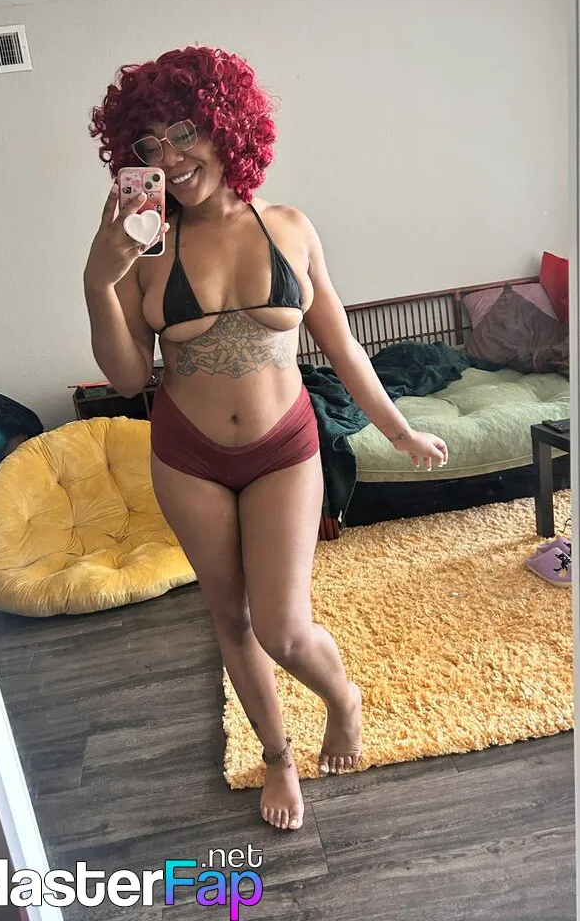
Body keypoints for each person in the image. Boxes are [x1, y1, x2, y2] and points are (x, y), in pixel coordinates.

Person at [84, 46, 448, 833]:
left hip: (284, 447)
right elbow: (126, 377)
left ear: (227, 126)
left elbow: (342, 346)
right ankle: (278, 757)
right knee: (234, 621)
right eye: (149, 145)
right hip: (189, 456)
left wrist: (399, 430)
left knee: (284, 628)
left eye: (184, 132)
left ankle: (342, 699)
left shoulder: (289, 227)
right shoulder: (145, 254)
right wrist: (98, 281)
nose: (169, 158)